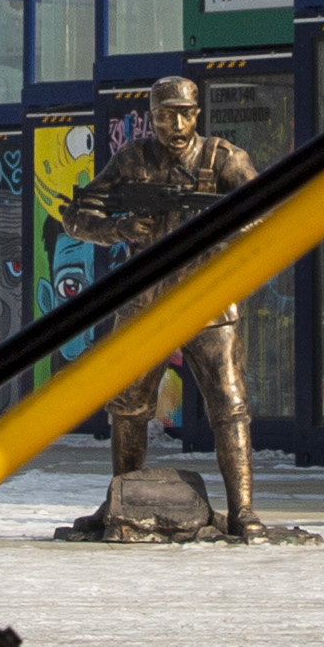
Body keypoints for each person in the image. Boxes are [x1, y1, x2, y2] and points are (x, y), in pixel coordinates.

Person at [74, 74, 261, 534]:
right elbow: (78, 216)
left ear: (197, 114)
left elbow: (264, 211)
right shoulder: (132, 160)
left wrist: (219, 228)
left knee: (230, 404)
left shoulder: (223, 159)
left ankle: (243, 510)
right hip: (147, 302)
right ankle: (123, 500)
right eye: (162, 114)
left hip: (209, 301)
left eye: (182, 113)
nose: (172, 123)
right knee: (128, 405)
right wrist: (120, 229)